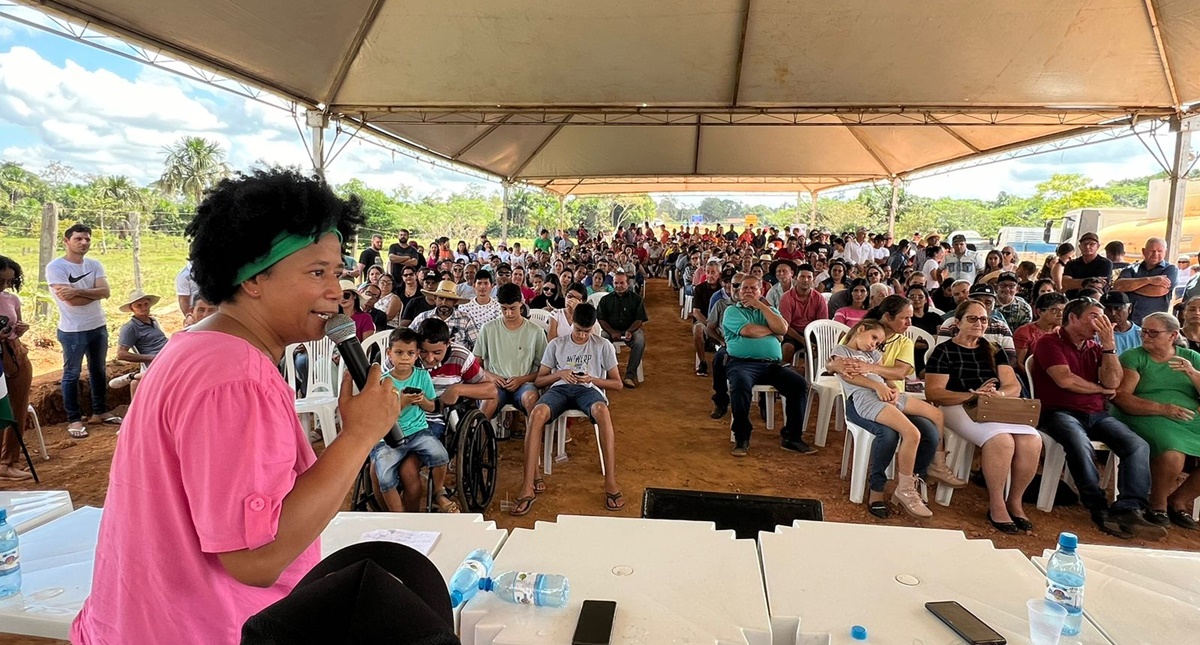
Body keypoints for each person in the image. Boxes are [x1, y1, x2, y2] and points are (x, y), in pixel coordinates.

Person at [71, 169, 401, 643]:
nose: (335, 291)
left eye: (337, 271)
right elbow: (256, 559)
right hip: (201, 628)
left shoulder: (193, 346)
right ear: (252, 279)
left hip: (139, 620)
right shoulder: (237, 378)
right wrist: (358, 436)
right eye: (316, 272)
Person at [1034, 297, 1166, 540]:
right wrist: (1100, 390)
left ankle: (1130, 508)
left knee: (1137, 445)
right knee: (1078, 442)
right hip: (1058, 412)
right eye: (1094, 317)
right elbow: (1065, 380)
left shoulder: (1096, 347)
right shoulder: (1050, 342)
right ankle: (1097, 505)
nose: (1102, 323)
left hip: (1096, 414)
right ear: (1073, 318)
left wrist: (1108, 346)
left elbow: (1113, 382)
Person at [925, 300, 1042, 534]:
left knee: (1032, 440)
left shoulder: (993, 349)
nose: (979, 323)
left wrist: (997, 393)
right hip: (957, 405)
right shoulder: (944, 350)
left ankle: (1015, 502)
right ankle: (997, 503)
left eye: (983, 319)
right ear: (957, 322)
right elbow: (934, 392)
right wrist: (970, 395)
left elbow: (1012, 386)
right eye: (972, 318)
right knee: (1001, 440)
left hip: (993, 405)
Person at [510, 303, 624, 516]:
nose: (582, 336)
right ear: (571, 322)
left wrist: (592, 379)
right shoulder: (556, 344)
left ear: (593, 328)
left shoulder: (602, 345)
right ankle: (527, 485)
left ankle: (610, 481)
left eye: (586, 332)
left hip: (588, 389)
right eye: (578, 330)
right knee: (537, 413)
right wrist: (560, 374)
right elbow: (540, 380)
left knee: (602, 411)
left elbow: (618, 384)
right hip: (560, 388)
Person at [831, 319, 942, 518]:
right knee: (911, 433)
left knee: (935, 414)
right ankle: (903, 488)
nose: (874, 344)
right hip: (865, 398)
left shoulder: (873, 355)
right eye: (873, 338)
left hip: (886, 395)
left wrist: (892, 388)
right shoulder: (842, 350)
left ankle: (937, 463)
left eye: (878, 342)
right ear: (861, 329)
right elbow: (848, 375)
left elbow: (885, 376)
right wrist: (877, 386)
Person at [1110, 312, 1200, 530]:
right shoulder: (1134, 357)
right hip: (1145, 413)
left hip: (1188, 418)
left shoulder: (1191, 357)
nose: (1145, 336)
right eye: (1143, 331)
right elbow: (1122, 398)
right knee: (1172, 450)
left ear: (1172, 335)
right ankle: (1157, 503)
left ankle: (1178, 501)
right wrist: (1163, 409)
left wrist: (1192, 373)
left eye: (1153, 332)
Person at [369, 328, 458, 514]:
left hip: (418, 431)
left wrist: (422, 400)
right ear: (389, 354)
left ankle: (439, 489)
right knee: (384, 478)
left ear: (417, 355)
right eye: (399, 353)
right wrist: (401, 403)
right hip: (389, 436)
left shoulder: (422, 376)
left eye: (410, 353)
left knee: (441, 455)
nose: (404, 358)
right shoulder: (384, 382)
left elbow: (432, 407)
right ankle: (398, 515)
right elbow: (380, 416)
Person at [723, 275, 814, 457]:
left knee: (798, 385)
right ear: (739, 292)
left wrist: (762, 307)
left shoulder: (769, 310)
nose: (748, 292)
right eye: (744, 289)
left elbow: (783, 329)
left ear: (761, 291)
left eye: (753, 289)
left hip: (771, 365)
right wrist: (773, 331)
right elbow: (748, 331)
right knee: (740, 384)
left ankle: (792, 437)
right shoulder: (732, 311)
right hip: (742, 364)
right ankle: (742, 436)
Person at [47, 223, 119, 438]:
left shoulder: (95, 263)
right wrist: (92, 293)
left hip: (98, 325)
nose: (84, 243)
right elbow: (72, 304)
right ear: (66, 241)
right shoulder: (56, 267)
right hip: (73, 330)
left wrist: (77, 290)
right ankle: (74, 419)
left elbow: (106, 292)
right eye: (78, 239)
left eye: (87, 239)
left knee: (98, 371)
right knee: (72, 374)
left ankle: (100, 412)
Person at [474, 283, 547, 421]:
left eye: (513, 308)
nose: (508, 313)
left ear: (521, 303)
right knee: (488, 400)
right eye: (504, 309)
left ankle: (534, 441)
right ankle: (478, 439)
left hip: (524, 385)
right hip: (495, 383)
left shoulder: (535, 332)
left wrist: (521, 379)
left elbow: (543, 370)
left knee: (531, 399)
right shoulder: (488, 329)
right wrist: (492, 376)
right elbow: (475, 365)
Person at [0, 255, 32, 481]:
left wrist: (20, 329)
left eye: (9, 281)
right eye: (0, 280)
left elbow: (15, 325)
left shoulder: (11, 299)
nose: (4, 286)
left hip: (14, 353)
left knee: (17, 408)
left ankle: (9, 461)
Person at [110, 289, 170, 395]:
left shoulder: (153, 321)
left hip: (168, 354)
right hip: (157, 361)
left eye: (146, 304)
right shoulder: (130, 327)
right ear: (132, 308)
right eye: (139, 305)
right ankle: (133, 376)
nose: (143, 308)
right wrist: (152, 357)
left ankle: (135, 376)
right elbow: (121, 354)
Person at [596, 271, 649, 389]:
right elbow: (601, 319)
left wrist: (630, 331)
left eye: (621, 283)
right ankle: (607, 374)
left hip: (631, 329)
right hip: (610, 330)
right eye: (616, 283)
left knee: (639, 341)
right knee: (602, 339)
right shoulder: (605, 300)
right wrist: (612, 332)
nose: (618, 286)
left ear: (627, 283)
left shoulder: (636, 299)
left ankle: (630, 375)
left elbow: (639, 319)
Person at [1113, 237, 1177, 325]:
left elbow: (1159, 290)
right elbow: (1118, 286)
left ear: (1165, 252)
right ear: (1143, 251)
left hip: (1153, 323)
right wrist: (1149, 280)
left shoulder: (1170, 269)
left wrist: (1130, 287)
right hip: (1127, 322)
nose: (1155, 254)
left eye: (1159, 251)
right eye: (1152, 251)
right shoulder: (1132, 268)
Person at [779, 263, 828, 366]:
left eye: (809, 277)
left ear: (813, 279)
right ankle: (783, 372)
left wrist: (817, 341)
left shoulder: (819, 298)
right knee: (787, 348)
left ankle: (818, 375)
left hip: (812, 332)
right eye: (802, 276)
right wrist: (803, 341)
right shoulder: (786, 298)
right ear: (796, 278)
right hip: (792, 332)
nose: (806, 280)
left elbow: (822, 324)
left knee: (824, 348)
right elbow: (785, 326)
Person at [411, 280, 480, 350]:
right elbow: (408, 339)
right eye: (441, 298)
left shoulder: (465, 319)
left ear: (455, 301)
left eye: (448, 299)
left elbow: (477, 345)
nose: (444, 302)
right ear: (435, 299)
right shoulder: (423, 318)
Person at [1013, 292, 1067, 378]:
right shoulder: (1024, 332)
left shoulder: (1064, 333)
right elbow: (1019, 363)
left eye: (1063, 310)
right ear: (1039, 312)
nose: (1060, 314)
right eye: (1054, 310)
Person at [1062, 232, 1113, 298]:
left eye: (1091, 244)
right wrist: (1090, 281)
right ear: (1080, 247)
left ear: (1098, 246)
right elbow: (1065, 283)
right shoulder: (1071, 263)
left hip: (1096, 301)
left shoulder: (1105, 263)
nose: (1087, 246)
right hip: (1074, 301)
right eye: (1084, 244)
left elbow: (1099, 285)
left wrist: (1075, 282)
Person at [1102, 291, 1142, 356]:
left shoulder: (1141, 335)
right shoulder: (1096, 334)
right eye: (1107, 309)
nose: (1113, 313)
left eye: (1118, 308)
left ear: (1129, 308)